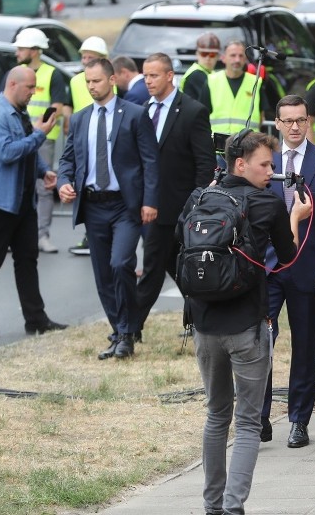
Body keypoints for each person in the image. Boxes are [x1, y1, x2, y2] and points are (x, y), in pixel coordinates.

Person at [180, 131, 310, 515]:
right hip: (248, 327)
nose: (272, 171)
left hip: (204, 326)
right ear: (241, 164)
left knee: (216, 414)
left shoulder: (198, 198)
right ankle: (233, 508)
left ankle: (212, 506)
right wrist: (296, 217)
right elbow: (287, 259)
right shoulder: (266, 203)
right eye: (265, 164)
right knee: (249, 423)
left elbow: (182, 257)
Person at [259, 94, 315, 448]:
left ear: (308, 122)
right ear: (277, 124)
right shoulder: (265, 162)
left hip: (309, 269)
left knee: (305, 346)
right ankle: (259, 416)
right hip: (266, 268)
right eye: (287, 121)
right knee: (259, 342)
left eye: (300, 120)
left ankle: (298, 419)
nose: (294, 127)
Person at [57, 58, 159, 360]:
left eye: (96, 81)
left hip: (124, 206)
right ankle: (120, 331)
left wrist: (150, 200)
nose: (91, 87)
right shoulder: (80, 119)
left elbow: (150, 161)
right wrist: (63, 181)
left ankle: (128, 330)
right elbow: (67, 160)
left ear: (112, 80)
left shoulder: (135, 115)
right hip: (93, 205)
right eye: (87, 82)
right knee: (102, 274)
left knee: (120, 264)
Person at [0, 67, 67, 338]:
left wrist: (43, 171)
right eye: (29, 87)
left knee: (27, 260)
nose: (33, 93)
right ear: (12, 84)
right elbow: (7, 152)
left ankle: (36, 319)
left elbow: (27, 149)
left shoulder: (19, 112)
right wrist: (40, 133)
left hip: (22, 202)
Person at [135, 53, 216, 334]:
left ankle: (129, 329)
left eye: (154, 75)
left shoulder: (192, 111)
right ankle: (202, 316)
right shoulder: (141, 109)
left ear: (170, 76)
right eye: (145, 76)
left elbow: (204, 163)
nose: (148, 81)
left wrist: (195, 206)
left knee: (154, 267)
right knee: (173, 266)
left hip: (181, 206)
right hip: (153, 205)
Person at [10, 27, 68, 255]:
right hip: (20, 137)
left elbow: (57, 106)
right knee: (14, 184)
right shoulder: (15, 74)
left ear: (34, 51)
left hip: (43, 139)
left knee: (43, 189)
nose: (17, 52)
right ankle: (12, 235)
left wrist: (38, 129)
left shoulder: (52, 74)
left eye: (21, 48)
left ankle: (42, 235)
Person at [65, 36, 111, 257]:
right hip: (84, 133)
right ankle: (90, 234)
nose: (85, 60)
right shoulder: (75, 81)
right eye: (83, 56)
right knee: (85, 182)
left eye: (90, 57)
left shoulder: (110, 79)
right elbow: (69, 106)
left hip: (106, 135)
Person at [201, 40, 263, 138]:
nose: (237, 60)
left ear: (245, 59)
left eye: (241, 56)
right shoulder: (211, 81)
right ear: (223, 58)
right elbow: (202, 115)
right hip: (217, 145)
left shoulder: (256, 82)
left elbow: (261, 116)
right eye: (233, 55)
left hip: (248, 146)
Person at [180, 32, 221, 103]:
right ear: (197, 54)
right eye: (204, 54)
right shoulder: (196, 74)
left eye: (212, 54)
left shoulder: (211, 73)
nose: (208, 58)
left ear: (218, 56)